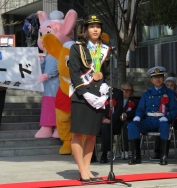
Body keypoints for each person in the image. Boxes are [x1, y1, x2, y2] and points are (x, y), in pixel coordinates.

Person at [69, 14, 110, 183]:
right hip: (81, 95)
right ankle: (82, 170)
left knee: (92, 135)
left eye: (98, 26)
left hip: (98, 96)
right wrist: (84, 92)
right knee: (78, 134)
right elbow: (74, 72)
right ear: (85, 30)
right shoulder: (77, 48)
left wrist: (105, 89)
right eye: (91, 26)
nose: (95, 29)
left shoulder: (105, 48)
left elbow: (107, 73)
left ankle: (87, 169)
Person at [128, 66, 177, 165]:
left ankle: (163, 156)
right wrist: (138, 116)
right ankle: (136, 156)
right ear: (151, 80)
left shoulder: (170, 93)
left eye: (160, 77)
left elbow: (175, 110)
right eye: (155, 77)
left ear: (163, 78)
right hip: (149, 120)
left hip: (162, 120)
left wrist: (167, 118)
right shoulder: (146, 94)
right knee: (132, 125)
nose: (157, 79)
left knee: (165, 126)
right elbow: (141, 109)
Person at [100, 82, 138, 163]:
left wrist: (126, 114)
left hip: (122, 123)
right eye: (126, 90)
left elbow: (136, 112)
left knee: (126, 125)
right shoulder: (112, 98)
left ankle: (125, 151)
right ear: (121, 90)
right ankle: (104, 154)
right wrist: (107, 119)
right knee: (104, 127)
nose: (129, 92)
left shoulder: (134, 101)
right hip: (112, 122)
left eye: (131, 91)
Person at [153, 77, 177, 159]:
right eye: (167, 85)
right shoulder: (161, 96)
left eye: (171, 85)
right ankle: (157, 151)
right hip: (162, 119)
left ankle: (164, 152)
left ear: (175, 88)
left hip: (175, 121)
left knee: (166, 126)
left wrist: (169, 118)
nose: (169, 87)